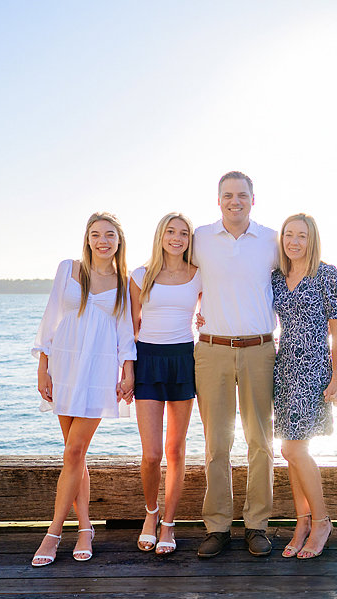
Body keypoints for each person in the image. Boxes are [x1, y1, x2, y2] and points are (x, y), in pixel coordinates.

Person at [30, 212, 136, 566]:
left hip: (98, 372)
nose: (102, 240)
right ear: (87, 238)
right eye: (95, 234)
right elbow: (50, 320)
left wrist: (128, 372)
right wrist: (43, 368)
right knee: (74, 455)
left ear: (119, 241)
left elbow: (125, 333)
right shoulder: (68, 269)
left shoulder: (124, 282)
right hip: (64, 365)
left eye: (109, 235)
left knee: (74, 452)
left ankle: (53, 533)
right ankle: (86, 527)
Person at [192, 171, 277, 558]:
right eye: (228, 195)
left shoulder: (272, 241)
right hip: (212, 351)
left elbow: (301, 272)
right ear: (219, 199)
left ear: (253, 199)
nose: (234, 201)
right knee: (216, 444)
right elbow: (165, 271)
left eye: (242, 195)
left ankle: (257, 525)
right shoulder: (200, 239)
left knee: (260, 441)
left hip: (259, 349)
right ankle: (218, 526)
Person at [271, 213, 337, 559]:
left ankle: (321, 521)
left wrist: (336, 376)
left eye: (301, 235)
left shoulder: (326, 274)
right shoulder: (275, 277)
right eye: (289, 234)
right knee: (288, 450)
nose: (294, 241)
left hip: (314, 367)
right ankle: (302, 521)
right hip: (284, 366)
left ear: (312, 240)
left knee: (296, 449)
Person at [129, 212, 201, 556]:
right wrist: (126, 371)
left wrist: (203, 319)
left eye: (183, 233)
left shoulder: (198, 276)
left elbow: (211, 311)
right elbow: (129, 328)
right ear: (160, 235)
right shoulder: (141, 276)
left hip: (184, 359)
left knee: (175, 450)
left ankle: (169, 522)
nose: (177, 238)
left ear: (190, 239)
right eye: (171, 232)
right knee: (151, 454)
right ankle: (151, 514)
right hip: (147, 359)